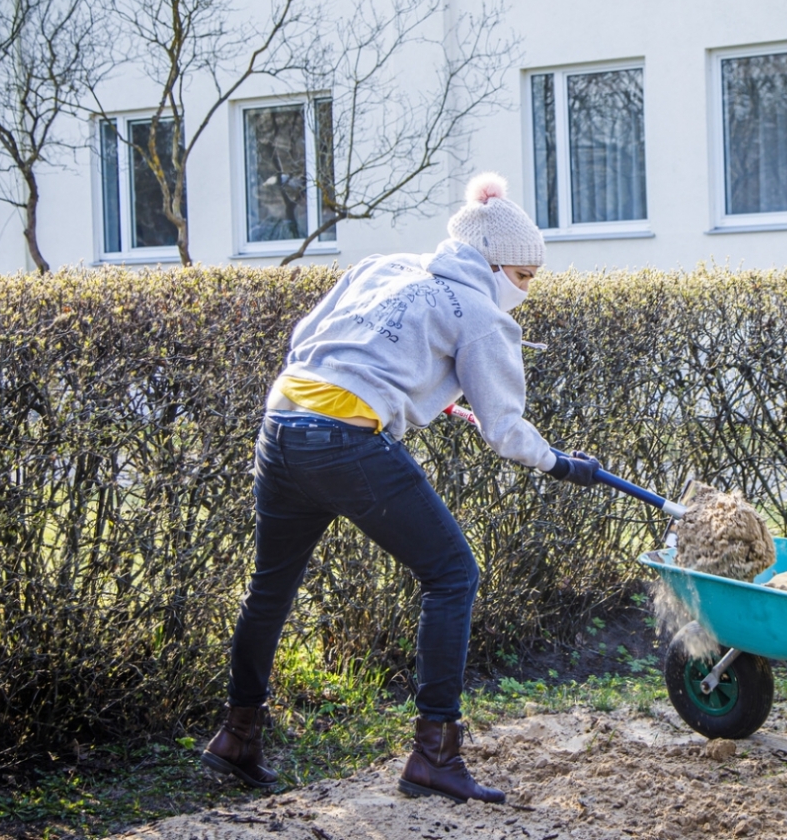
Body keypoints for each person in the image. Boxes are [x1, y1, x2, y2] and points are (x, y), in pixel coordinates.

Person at [202, 173, 602, 803]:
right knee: (452, 574)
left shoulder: (385, 266)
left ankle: (237, 735)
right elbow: (504, 430)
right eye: (524, 277)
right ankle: (434, 755)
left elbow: (310, 343)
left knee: (270, 587)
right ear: (492, 263)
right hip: (342, 441)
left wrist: (401, 389)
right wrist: (562, 464)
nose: (525, 291)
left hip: (281, 425)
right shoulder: (478, 313)